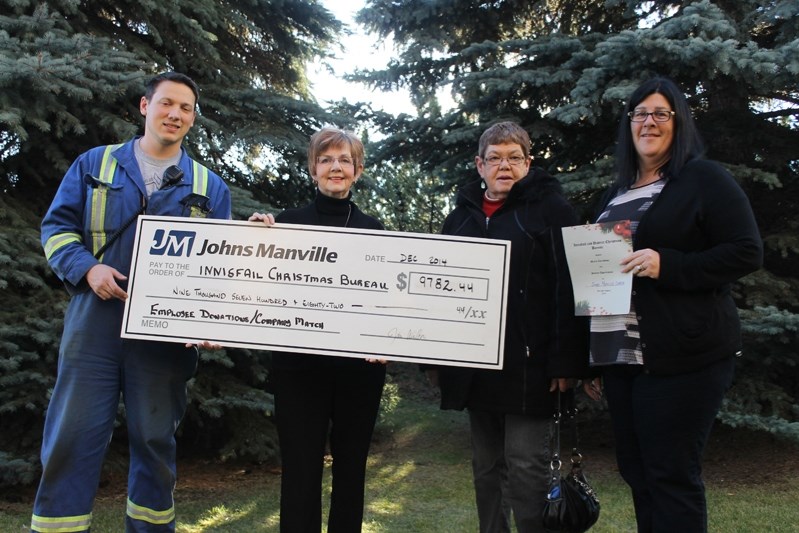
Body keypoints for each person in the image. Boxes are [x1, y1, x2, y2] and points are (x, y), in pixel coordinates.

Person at [33, 72, 231, 533]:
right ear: (146, 107)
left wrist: (214, 318)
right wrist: (88, 268)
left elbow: (221, 267)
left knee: (154, 442)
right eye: (166, 104)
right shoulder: (94, 164)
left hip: (164, 338)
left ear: (192, 118)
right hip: (94, 325)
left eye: (185, 108)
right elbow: (56, 229)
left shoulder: (209, 186)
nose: (175, 114)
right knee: (71, 437)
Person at [583, 77, 763, 532]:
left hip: (684, 354)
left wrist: (670, 264)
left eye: (660, 113)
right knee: (639, 474)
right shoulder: (616, 192)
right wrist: (593, 355)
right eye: (640, 114)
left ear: (677, 122)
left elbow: (746, 251)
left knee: (671, 476)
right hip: (622, 357)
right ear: (629, 125)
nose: (649, 122)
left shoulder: (703, 178)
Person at [427, 121, 589, 533]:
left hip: (532, 368)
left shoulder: (552, 210)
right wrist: (433, 353)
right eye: (495, 158)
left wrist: (565, 361)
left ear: (529, 163)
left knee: (526, 468)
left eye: (514, 158)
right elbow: (438, 293)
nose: (505, 166)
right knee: (487, 469)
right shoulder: (459, 218)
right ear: (479, 165)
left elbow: (571, 286)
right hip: (476, 367)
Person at [249, 127, 387, 533]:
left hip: (359, 372)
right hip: (298, 370)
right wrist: (252, 238)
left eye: (344, 160)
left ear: (357, 170)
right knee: (300, 471)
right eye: (326, 159)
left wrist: (389, 338)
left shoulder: (374, 229)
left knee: (351, 472)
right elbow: (255, 285)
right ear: (313, 168)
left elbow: (385, 303)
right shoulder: (284, 225)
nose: (336, 167)